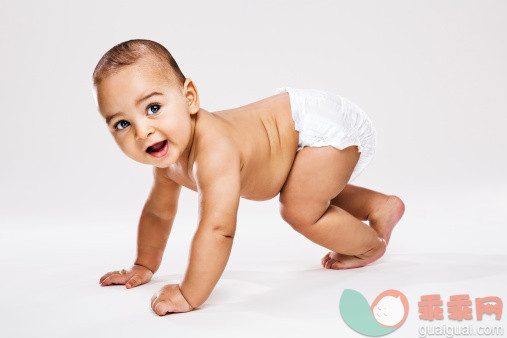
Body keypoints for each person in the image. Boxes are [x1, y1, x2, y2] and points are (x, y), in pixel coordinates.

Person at [93, 39, 405, 316]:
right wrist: (144, 265)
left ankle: (369, 246)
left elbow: (218, 229)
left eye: (154, 107)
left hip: (318, 128)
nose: (142, 131)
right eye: (122, 124)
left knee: (299, 208)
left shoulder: (214, 152)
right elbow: (158, 212)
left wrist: (190, 293)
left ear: (189, 97)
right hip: (294, 129)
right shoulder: (168, 161)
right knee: (307, 188)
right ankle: (380, 207)